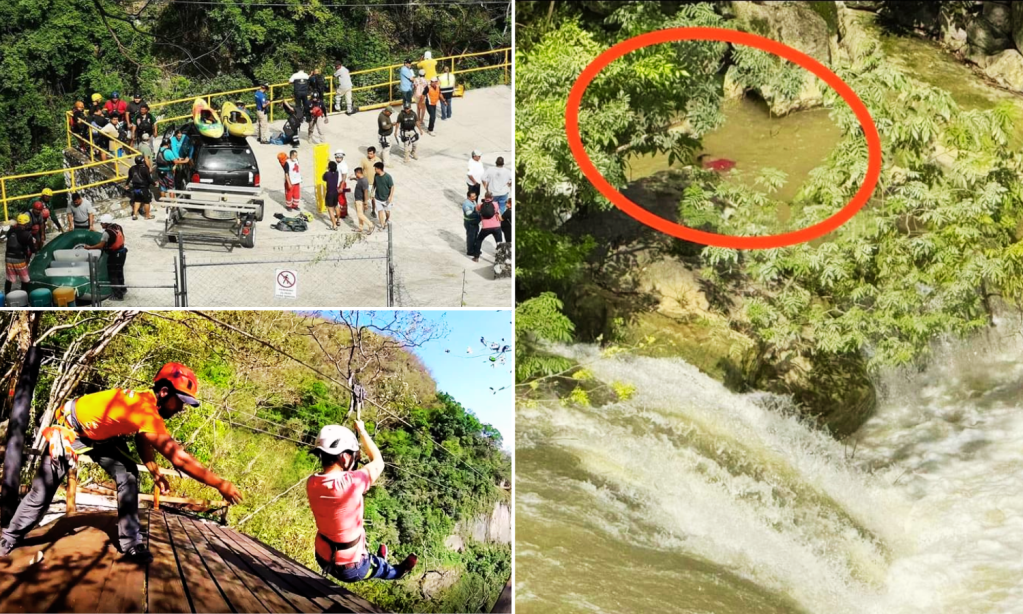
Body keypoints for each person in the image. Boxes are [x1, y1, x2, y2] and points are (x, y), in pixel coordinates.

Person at [0, 363, 243, 563]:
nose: (181, 408)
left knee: (128, 475)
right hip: (69, 430)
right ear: (165, 392)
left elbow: (142, 438)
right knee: (41, 494)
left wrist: (154, 470)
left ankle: (131, 544)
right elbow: (178, 457)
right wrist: (220, 484)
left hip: (100, 437)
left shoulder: (146, 403)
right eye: (180, 401)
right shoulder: (144, 409)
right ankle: (8, 539)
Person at [307, 422, 417, 583]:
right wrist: (363, 432)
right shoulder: (351, 482)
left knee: (354, 540)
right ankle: (396, 571)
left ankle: (374, 558)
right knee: (381, 568)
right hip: (350, 568)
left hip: (322, 556)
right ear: (345, 457)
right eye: (353, 455)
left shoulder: (312, 482)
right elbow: (378, 462)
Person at [83, 214, 128, 300]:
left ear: (106, 223)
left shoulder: (107, 233)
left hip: (114, 255)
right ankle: (123, 289)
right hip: (122, 253)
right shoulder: (118, 227)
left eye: (102, 223)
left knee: (113, 275)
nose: (101, 225)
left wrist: (89, 247)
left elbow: (101, 245)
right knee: (119, 272)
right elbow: (122, 237)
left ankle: (118, 295)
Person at [4, 214, 34, 295]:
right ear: (26, 224)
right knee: (25, 279)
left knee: (9, 279)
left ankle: (6, 295)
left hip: (8, 258)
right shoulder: (27, 235)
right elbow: (32, 249)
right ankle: (23, 296)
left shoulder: (10, 231)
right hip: (19, 259)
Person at [472, 191, 503, 263]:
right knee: (499, 243)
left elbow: (476, 210)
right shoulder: (495, 204)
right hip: (496, 227)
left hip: (485, 227)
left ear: (485, 197)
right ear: (492, 198)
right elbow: (498, 211)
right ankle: (500, 260)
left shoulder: (480, 205)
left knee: (479, 240)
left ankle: (476, 257)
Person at [126, 155, 155, 220]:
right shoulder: (145, 169)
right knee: (147, 202)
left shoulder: (132, 168)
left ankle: (134, 215)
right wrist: (154, 184)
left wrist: (126, 184)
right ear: (142, 161)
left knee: (137, 201)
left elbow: (129, 177)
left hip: (136, 188)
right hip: (144, 188)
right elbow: (149, 179)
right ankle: (147, 215)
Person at [372, 162, 395, 229]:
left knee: (387, 212)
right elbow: (374, 184)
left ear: (379, 169)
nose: (375, 170)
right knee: (380, 211)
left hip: (386, 198)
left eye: (375, 168)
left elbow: (392, 187)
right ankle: (382, 225)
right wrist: (372, 192)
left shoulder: (388, 177)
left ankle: (387, 219)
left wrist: (390, 197)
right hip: (377, 197)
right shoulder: (376, 175)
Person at [352, 166, 372, 235]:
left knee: (360, 214)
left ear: (358, 173)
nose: (355, 175)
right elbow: (358, 180)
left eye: (355, 174)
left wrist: (365, 202)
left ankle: (371, 225)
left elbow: (366, 192)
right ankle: (360, 228)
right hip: (357, 199)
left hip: (360, 200)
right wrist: (353, 178)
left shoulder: (364, 181)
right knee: (360, 214)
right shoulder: (360, 179)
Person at [461, 189, 480, 257]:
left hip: (474, 222)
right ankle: (470, 251)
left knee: (475, 236)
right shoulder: (466, 204)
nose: (474, 197)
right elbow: (469, 213)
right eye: (473, 197)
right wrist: (479, 214)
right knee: (471, 237)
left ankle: (474, 249)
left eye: (475, 196)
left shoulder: (473, 201)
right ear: (468, 197)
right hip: (470, 223)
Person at [324, 161, 341, 231]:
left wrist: (327, 169)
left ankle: (334, 225)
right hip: (335, 192)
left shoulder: (327, 174)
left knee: (330, 210)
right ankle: (338, 220)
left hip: (330, 194)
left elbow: (324, 178)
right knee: (336, 206)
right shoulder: (337, 173)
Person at [333, 150, 349, 220]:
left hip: (341, 184)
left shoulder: (344, 165)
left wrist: (341, 186)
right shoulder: (337, 164)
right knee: (341, 198)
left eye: (339, 158)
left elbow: (344, 177)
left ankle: (342, 213)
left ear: (342, 157)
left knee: (341, 199)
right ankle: (344, 212)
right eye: (337, 157)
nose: (338, 159)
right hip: (337, 183)